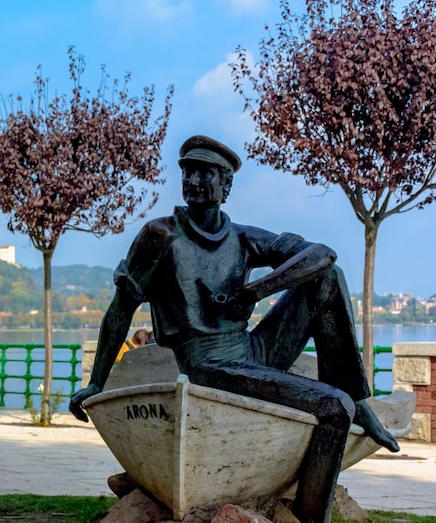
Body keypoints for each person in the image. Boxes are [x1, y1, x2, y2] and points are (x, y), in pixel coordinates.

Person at [68, 135, 399, 523]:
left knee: (327, 277)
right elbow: (120, 310)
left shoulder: (242, 237)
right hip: (208, 365)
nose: (193, 181)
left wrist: (254, 292)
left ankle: (356, 395)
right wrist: (96, 382)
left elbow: (324, 254)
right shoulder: (160, 237)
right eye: (187, 172)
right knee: (335, 407)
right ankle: (312, 512)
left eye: (205, 173)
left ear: (226, 185)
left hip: (254, 352)